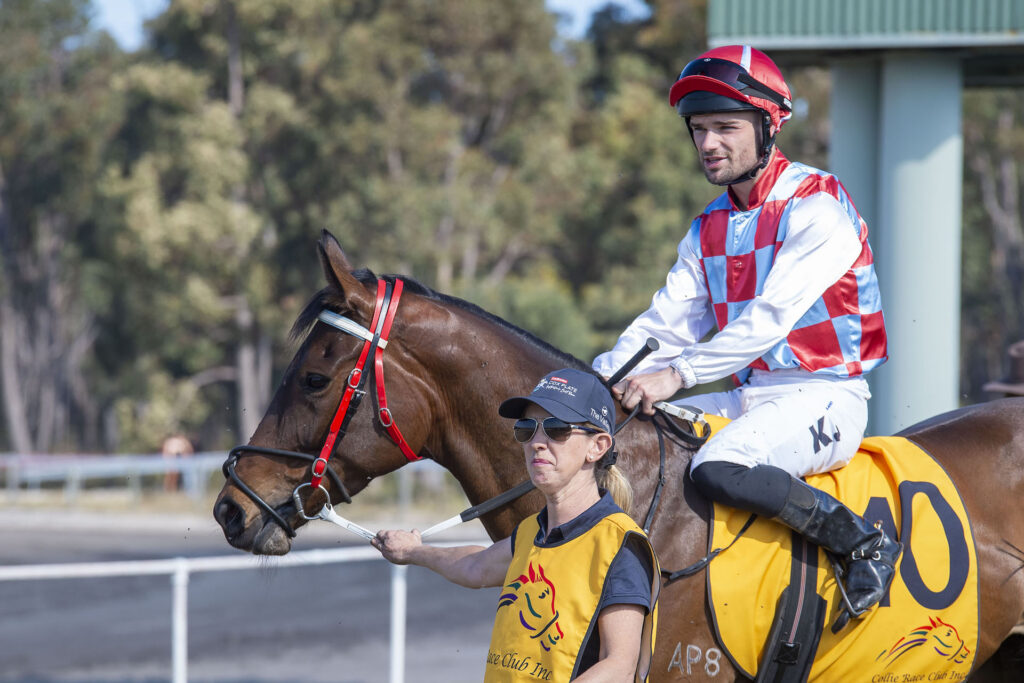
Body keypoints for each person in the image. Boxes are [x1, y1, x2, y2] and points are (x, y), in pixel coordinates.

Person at [592, 45, 898, 631]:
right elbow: (663, 326)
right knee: (628, 437)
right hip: (748, 397)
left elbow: (767, 321)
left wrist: (677, 375)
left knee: (718, 466)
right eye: (699, 129)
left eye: (725, 127)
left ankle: (863, 544)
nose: (708, 143)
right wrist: (596, 382)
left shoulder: (818, 206)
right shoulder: (707, 226)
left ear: (769, 125)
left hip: (827, 396)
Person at [372, 368, 659, 681]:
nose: (537, 442)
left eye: (556, 428)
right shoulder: (531, 532)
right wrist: (413, 552)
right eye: (527, 428)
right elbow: (476, 566)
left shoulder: (621, 545)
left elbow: (619, 667)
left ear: (598, 446)